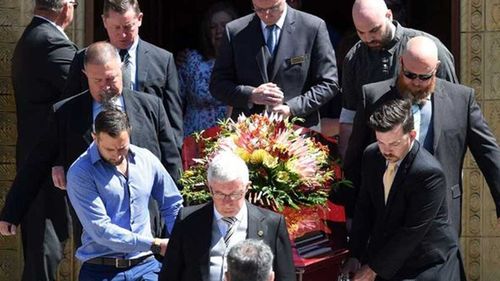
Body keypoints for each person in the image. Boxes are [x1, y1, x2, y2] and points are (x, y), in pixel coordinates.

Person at [343, 36, 500, 236]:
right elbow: (355, 159)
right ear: (401, 63)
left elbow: (489, 153)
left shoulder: (461, 100)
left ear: (437, 68)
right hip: (386, 213)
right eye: (409, 74)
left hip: (440, 214)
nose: (416, 82)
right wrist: (349, 213)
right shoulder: (374, 96)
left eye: (424, 76)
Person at [55, 41, 182, 241]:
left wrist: (172, 222)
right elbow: (40, 157)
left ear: (122, 68)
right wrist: (12, 213)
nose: (106, 86)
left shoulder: (151, 106)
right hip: (96, 230)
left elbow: (171, 162)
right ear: (85, 74)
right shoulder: (66, 112)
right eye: (98, 80)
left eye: (111, 78)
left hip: (148, 220)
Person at [342, 98, 460, 281]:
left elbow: (411, 231)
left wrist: (373, 269)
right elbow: (364, 209)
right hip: (388, 253)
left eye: (394, 144)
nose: (386, 151)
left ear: (412, 135)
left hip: (425, 262)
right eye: (381, 142)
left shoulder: (428, 173)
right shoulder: (372, 155)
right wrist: (355, 255)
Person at [4, 0, 77, 280]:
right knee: (45, 249)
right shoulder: (50, 42)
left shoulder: (34, 36)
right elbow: (84, 84)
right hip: (47, 165)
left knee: (42, 248)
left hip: (38, 163)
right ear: (65, 8)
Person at [66, 108, 183, 280]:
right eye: (109, 149)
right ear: (94, 138)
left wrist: (176, 240)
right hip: (102, 269)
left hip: (146, 265)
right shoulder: (80, 172)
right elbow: (100, 229)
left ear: (129, 134)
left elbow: (172, 203)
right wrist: (155, 245)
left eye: (122, 148)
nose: (117, 155)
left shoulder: (146, 159)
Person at [337, 0, 458, 158]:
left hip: (426, 154)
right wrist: (347, 166)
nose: (368, 38)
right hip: (377, 159)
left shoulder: (428, 49)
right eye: (361, 32)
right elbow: (349, 118)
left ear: (389, 15)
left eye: (374, 30)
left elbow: (452, 109)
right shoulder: (354, 58)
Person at [62, 0, 183, 152]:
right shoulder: (84, 59)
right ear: (105, 22)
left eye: (127, 26)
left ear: (139, 19)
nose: (122, 34)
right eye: (116, 28)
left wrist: (174, 156)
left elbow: (173, 120)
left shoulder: (162, 60)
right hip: (97, 151)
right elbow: (66, 112)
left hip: (144, 152)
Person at [159, 151, 296, 281]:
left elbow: (286, 277)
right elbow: (169, 275)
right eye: (219, 194)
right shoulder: (188, 220)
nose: (227, 202)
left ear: (247, 187)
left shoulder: (272, 224)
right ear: (209, 187)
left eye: (235, 194)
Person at [210, 0, 339, 130]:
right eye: (259, 9)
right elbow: (217, 84)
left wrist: (292, 108)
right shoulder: (235, 31)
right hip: (248, 133)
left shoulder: (312, 27)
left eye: (273, 8)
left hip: (299, 131)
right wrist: (251, 94)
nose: (266, 15)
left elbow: (329, 83)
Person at [177, 2, 238, 136]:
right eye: (213, 27)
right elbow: (176, 101)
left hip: (231, 137)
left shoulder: (243, 61)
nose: (219, 31)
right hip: (194, 136)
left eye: (224, 25)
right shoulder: (191, 60)